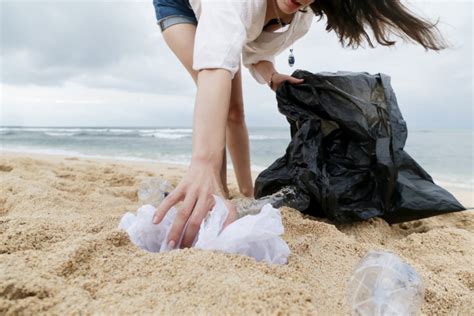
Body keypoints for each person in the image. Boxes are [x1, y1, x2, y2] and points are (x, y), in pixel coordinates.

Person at [151, 0, 446, 249]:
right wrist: (202, 162)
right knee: (222, 101)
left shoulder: (300, 19)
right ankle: (212, 187)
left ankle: (245, 191)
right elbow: (215, 66)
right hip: (181, 6)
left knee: (235, 112)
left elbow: (253, 52)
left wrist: (272, 75)